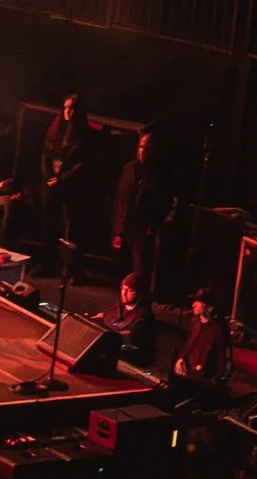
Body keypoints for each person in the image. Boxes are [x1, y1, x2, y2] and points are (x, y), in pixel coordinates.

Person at [111, 127, 172, 324]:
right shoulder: (129, 168)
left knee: (140, 270)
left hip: (143, 228)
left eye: (147, 148)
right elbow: (121, 199)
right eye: (141, 147)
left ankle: (140, 310)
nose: (143, 151)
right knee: (122, 268)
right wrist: (117, 229)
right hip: (125, 227)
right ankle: (122, 306)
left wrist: (152, 227)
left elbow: (162, 204)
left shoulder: (159, 175)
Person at [38, 92, 97, 261]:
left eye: (72, 108)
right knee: (48, 222)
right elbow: (45, 153)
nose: (67, 111)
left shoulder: (86, 135)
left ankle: (71, 266)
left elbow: (83, 164)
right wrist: (49, 176)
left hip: (71, 185)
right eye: (66, 108)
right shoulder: (56, 128)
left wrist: (61, 179)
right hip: (51, 182)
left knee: (70, 226)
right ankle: (45, 261)